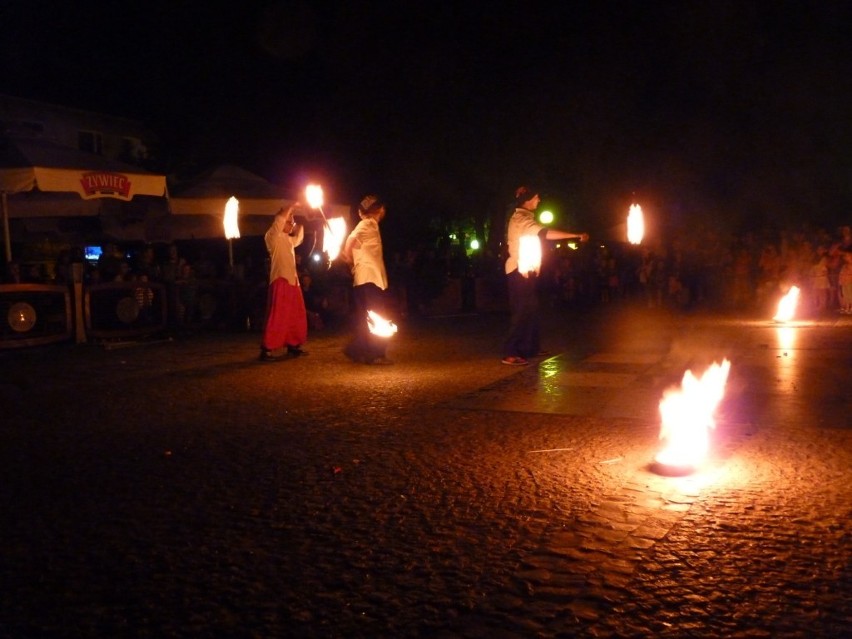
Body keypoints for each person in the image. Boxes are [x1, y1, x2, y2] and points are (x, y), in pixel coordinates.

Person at [502, 186, 588, 365]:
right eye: (537, 197)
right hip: (518, 270)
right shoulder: (520, 219)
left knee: (531, 308)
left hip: (526, 270)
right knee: (521, 311)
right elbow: (545, 233)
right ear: (528, 199)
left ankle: (530, 347)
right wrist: (574, 235)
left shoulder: (525, 217)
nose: (539, 200)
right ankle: (510, 352)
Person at [341, 194, 393, 365]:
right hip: (370, 280)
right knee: (377, 315)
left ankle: (360, 351)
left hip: (364, 279)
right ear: (378, 210)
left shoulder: (370, 226)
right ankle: (375, 354)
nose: (384, 210)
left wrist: (350, 258)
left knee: (366, 317)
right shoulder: (368, 223)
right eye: (382, 208)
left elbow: (354, 244)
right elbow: (350, 240)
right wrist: (347, 254)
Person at [259, 203, 309, 361]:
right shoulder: (272, 236)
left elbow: (298, 238)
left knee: (296, 315)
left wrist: (301, 224)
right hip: (281, 280)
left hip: (293, 282)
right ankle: (267, 349)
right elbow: (280, 220)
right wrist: (292, 206)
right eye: (289, 222)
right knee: (278, 315)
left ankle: (293, 344)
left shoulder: (288, 239)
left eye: (291, 222)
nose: (291, 224)